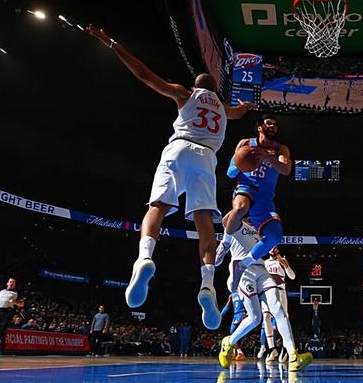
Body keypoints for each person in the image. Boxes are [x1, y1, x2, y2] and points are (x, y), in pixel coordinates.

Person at [85, 25, 253, 330]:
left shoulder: (185, 94)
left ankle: (145, 258)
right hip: (206, 158)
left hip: (179, 149)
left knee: (158, 207)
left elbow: (144, 75)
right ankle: (207, 284)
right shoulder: (222, 108)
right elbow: (239, 113)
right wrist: (245, 106)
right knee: (204, 222)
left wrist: (111, 43)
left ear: (195, 86)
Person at [214, 215, 312, 372]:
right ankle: (230, 342)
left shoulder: (260, 231)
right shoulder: (234, 225)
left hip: (261, 270)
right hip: (243, 271)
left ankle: (293, 355)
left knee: (279, 309)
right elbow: (227, 221)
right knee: (255, 318)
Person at [224, 114, 292, 293]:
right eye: (269, 123)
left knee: (275, 237)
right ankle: (224, 244)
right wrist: (243, 161)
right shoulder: (245, 143)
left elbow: (286, 169)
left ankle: (243, 264)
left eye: (275, 124)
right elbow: (230, 173)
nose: (273, 126)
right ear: (260, 127)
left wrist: (266, 157)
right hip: (246, 187)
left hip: (265, 197)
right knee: (240, 207)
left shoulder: (280, 149)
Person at [261, 245, 296, 363]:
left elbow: (292, 276)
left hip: (280, 291)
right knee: (266, 317)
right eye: (270, 247)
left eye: (275, 247)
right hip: (267, 292)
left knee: (282, 320)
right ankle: (272, 349)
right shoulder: (264, 263)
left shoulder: (281, 261)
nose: (272, 248)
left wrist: (286, 266)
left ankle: (286, 347)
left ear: (277, 250)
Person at [0, 278, 25, 354]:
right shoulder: (1, 291)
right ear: (7, 283)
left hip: (7, 312)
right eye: (10, 282)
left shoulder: (16, 293)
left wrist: (14, 302)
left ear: (14, 285)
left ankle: (2, 347)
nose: (11, 283)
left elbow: (22, 304)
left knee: (1, 330)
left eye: (13, 283)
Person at [220, 292, 247, 360]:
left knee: (235, 335)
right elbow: (227, 306)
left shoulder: (242, 291)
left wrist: (247, 314)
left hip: (243, 314)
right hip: (236, 315)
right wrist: (220, 315)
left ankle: (239, 352)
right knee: (232, 335)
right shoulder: (231, 295)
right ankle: (235, 353)